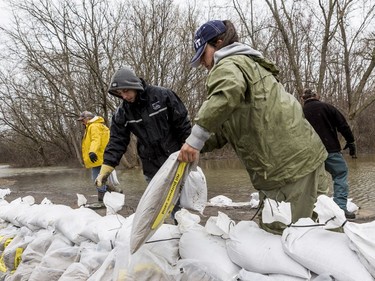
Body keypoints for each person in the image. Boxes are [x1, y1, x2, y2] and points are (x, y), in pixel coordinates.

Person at [177, 19, 329, 235]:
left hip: (287, 169)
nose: (202, 62)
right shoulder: (250, 64)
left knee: (289, 235)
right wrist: (192, 145)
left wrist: (195, 139)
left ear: (218, 43)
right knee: (323, 226)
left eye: (203, 53)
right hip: (305, 159)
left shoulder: (228, 65)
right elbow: (225, 128)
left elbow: (227, 93)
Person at [94, 67, 191, 205]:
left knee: (181, 203)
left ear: (134, 84)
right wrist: (106, 167)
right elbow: (117, 141)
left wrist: (188, 145)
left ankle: (181, 224)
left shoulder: (163, 95)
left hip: (175, 159)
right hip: (150, 165)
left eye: (126, 91)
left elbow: (182, 123)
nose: (124, 96)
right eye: (120, 93)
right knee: (161, 205)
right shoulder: (122, 113)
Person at [301, 89, 357, 219]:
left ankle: (309, 211)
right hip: (330, 150)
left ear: (303, 99)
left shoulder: (299, 112)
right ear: (316, 96)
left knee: (309, 181)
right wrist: (351, 142)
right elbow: (343, 125)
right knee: (340, 174)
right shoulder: (327, 107)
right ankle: (340, 209)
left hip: (309, 152)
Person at [77, 111, 110, 208]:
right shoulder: (99, 125)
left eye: (82, 120)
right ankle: (111, 197)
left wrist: (92, 152)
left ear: (87, 119)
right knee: (101, 178)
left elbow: (96, 140)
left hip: (97, 157)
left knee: (97, 179)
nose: (82, 122)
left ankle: (103, 202)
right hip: (101, 156)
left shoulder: (94, 126)